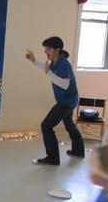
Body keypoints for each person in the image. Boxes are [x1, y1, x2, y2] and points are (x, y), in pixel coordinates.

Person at [26, 36, 84, 165]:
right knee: (69, 124)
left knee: (46, 125)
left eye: (48, 48)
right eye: (45, 48)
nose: (45, 51)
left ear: (57, 49)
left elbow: (65, 84)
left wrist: (48, 74)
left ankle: (52, 158)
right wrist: (34, 61)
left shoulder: (64, 64)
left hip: (66, 101)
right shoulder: (56, 62)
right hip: (71, 100)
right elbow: (47, 69)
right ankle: (78, 151)